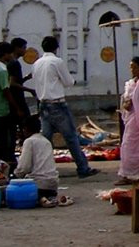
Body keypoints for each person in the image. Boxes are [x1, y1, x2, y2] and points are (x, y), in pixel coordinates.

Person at [29, 35, 97, 178]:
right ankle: (82, 168)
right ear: (56, 48)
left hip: (43, 104)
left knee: (46, 141)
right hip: (57, 104)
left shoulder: (37, 63)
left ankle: (41, 169)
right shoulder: (56, 62)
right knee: (71, 137)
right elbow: (68, 82)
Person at [13, 130, 63, 206]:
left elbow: (24, 168)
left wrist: (15, 175)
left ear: (26, 129)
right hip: (52, 185)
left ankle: (40, 198)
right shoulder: (46, 141)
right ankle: (47, 198)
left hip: (38, 185)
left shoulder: (29, 141)